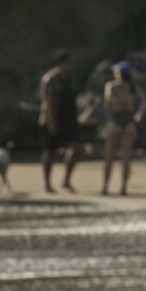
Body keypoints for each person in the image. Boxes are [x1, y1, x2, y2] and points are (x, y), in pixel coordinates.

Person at [101, 61, 146, 196]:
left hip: (115, 120)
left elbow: (106, 105)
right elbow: (145, 100)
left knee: (109, 156)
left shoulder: (111, 86)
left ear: (118, 73)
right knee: (126, 158)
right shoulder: (132, 87)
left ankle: (105, 187)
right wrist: (139, 116)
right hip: (129, 121)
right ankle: (123, 187)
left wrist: (109, 119)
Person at [39, 51, 82, 193]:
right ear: (61, 63)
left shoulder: (69, 78)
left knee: (76, 147)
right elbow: (48, 102)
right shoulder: (50, 79)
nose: (72, 65)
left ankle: (66, 181)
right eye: (69, 62)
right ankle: (47, 184)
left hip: (69, 118)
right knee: (50, 151)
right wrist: (51, 122)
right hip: (53, 118)